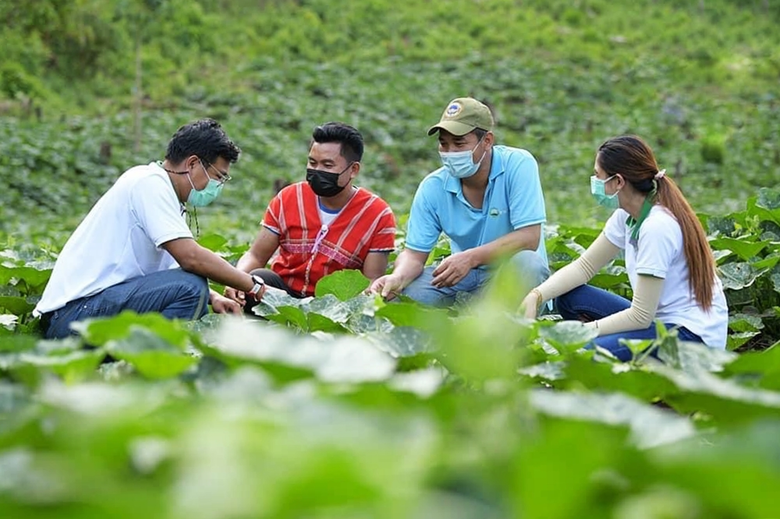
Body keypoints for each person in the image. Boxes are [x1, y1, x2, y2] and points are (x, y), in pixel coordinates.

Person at [34, 118, 268, 339]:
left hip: (88, 311)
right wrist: (250, 283)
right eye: (218, 177)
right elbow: (191, 258)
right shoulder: (149, 183)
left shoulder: (166, 195)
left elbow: (167, 271)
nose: (217, 187)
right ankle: (139, 366)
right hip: (72, 318)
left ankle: (134, 362)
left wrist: (214, 298)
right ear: (193, 164)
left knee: (194, 290)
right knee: (190, 287)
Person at [520, 135, 729, 361]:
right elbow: (585, 266)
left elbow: (640, 316)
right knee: (570, 296)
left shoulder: (657, 227)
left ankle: (619, 362)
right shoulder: (627, 216)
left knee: (585, 354)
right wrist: (537, 295)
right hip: (657, 322)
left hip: (691, 338)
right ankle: (618, 355)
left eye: (597, 175)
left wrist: (583, 332)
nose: (594, 181)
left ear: (618, 181)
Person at [369, 97, 549, 307]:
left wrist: (470, 258)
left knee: (529, 263)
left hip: (509, 269)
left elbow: (529, 237)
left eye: (459, 143)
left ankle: (503, 328)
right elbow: (414, 255)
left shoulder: (518, 165)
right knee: (403, 297)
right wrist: (397, 277)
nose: (450, 152)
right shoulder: (433, 187)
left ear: (487, 141)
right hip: (464, 277)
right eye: (444, 144)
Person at [224, 122, 395, 307]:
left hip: (336, 306)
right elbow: (256, 255)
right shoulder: (288, 198)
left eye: (328, 165)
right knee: (256, 278)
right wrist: (237, 279)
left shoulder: (378, 215)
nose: (318, 170)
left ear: (353, 170)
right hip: (280, 294)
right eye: (313, 163)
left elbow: (371, 280)